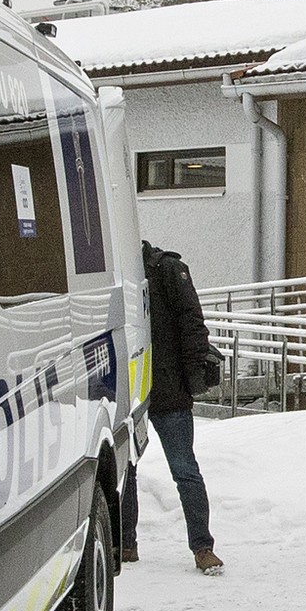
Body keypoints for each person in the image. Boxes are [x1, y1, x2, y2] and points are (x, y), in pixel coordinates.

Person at [127, 241, 224, 575]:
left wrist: (193, 376)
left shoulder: (166, 269)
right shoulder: (118, 275)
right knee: (126, 469)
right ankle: (126, 543)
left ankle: (202, 547)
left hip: (168, 388)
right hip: (132, 389)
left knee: (184, 470)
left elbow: (192, 324)